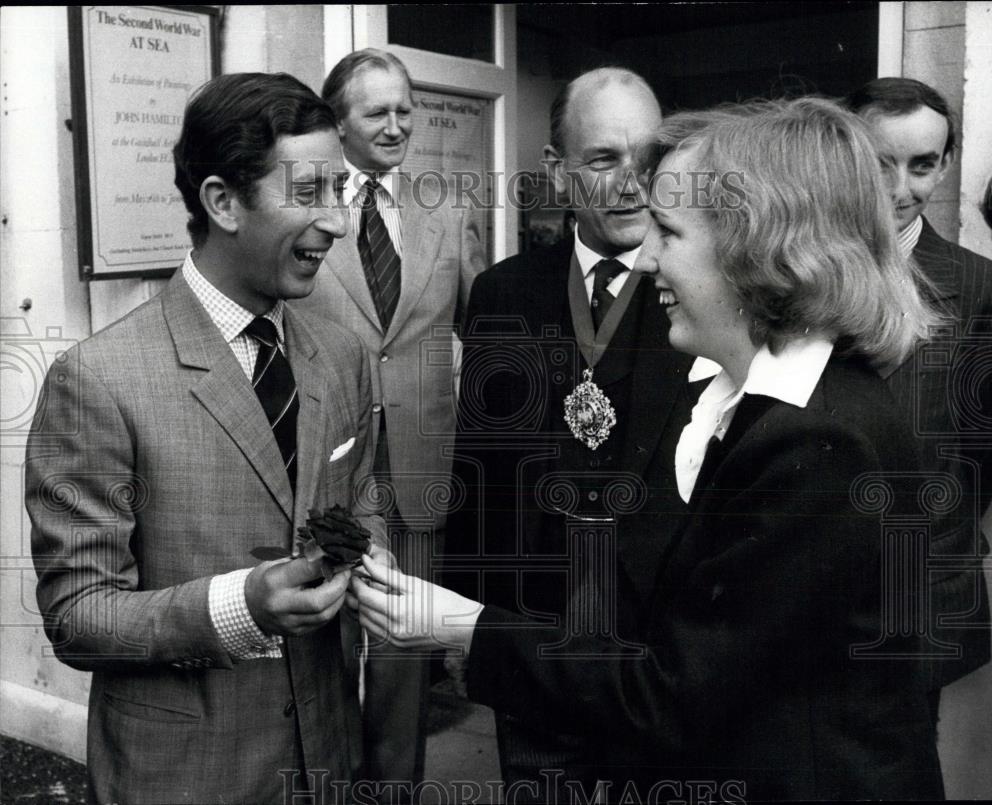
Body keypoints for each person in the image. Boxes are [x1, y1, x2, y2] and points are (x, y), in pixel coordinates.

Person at [354, 98, 947, 801]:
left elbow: (675, 692)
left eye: (669, 231)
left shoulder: (819, 437)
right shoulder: (760, 405)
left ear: (757, 249)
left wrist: (460, 625)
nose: (651, 258)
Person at [26, 72, 387, 803]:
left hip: (326, 763)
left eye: (338, 192)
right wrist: (243, 604)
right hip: (183, 777)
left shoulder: (342, 356)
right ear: (223, 201)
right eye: (309, 192)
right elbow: (78, 615)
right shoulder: (97, 379)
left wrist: (367, 562)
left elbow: (357, 500)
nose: (339, 224)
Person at [443, 66, 694, 799]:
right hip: (535, 633)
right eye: (602, 159)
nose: (631, 184)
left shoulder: (708, 290)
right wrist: (470, 623)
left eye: (646, 158)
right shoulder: (504, 292)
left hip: (657, 652)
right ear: (556, 171)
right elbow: (479, 474)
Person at [292, 48, 485, 792]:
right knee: (328, 647)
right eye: (378, 111)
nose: (397, 123)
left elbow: (480, 320)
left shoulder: (446, 205)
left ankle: (395, 790)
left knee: (407, 645)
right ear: (338, 122)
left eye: (406, 109)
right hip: (328, 469)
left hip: (419, 467)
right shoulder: (310, 206)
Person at [846, 77, 992, 708]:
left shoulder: (983, 290)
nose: (898, 190)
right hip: (793, 583)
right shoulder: (787, 268)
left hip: (911, 592)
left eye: (922, 167)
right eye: (880, 163)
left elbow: (980, 457)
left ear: (947, 164)